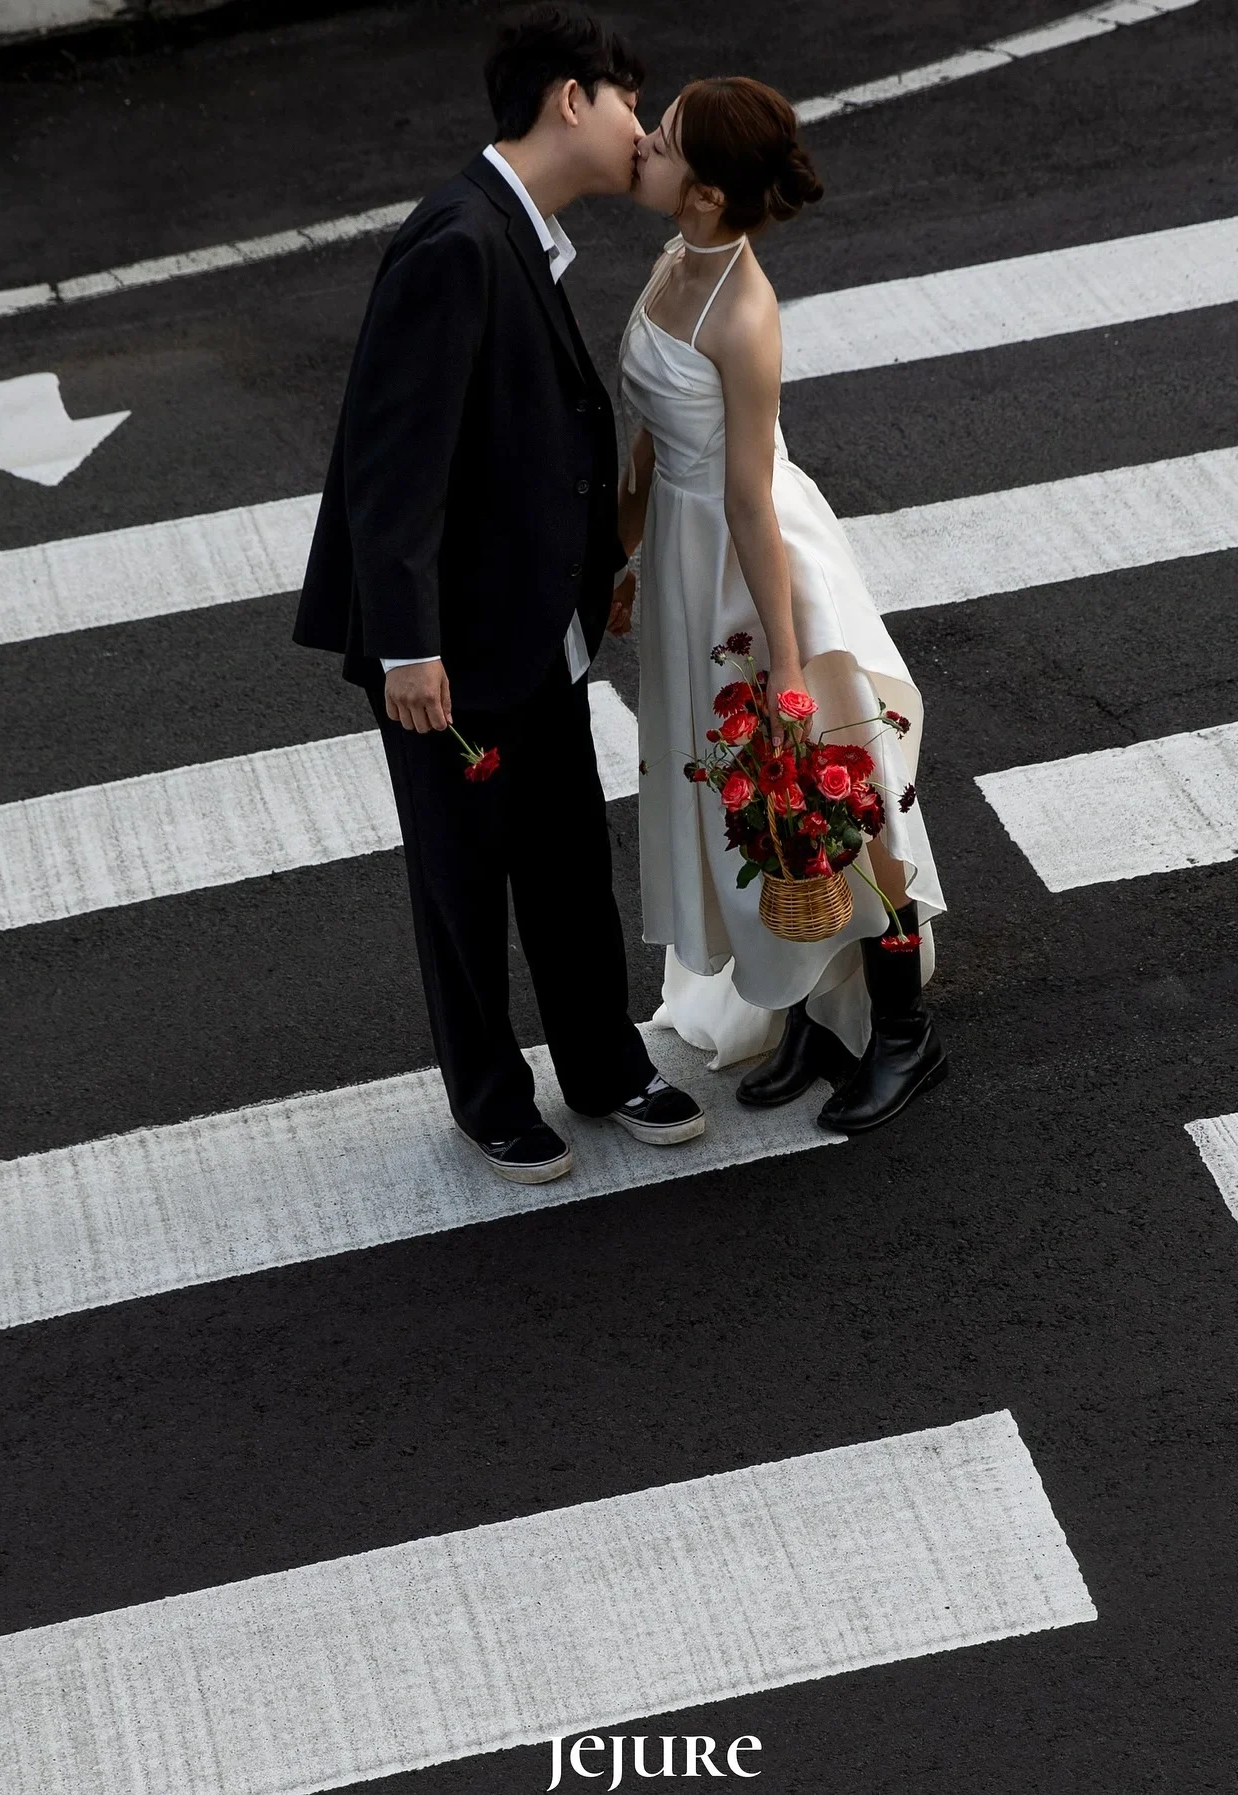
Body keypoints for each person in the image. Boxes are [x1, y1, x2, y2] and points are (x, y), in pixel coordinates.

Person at [294, 6, 704, 1183]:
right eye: (630, 103)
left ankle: (604, 1065)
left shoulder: (515, 232)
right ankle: (488, 1099)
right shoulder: (459, 243)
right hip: (452, 648)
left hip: (532, 626)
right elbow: (393, 464)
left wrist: (599, 572)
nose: (640, 130)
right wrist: (407, 647)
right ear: (571, 98)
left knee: (569, 859)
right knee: (462, 881)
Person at [613, 77, 948, 1134]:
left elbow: (751, 500)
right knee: (755, 796)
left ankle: (905, 1033)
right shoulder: (675, 261)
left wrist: (791, 661)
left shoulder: (743, 312)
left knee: (836, 791)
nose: (642, 145)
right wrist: (623, 557)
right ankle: (809, 1010)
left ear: (707, 194)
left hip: (755, 571)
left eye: (664, 141)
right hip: (686, 561)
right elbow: (650, 440)